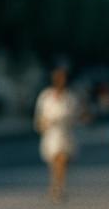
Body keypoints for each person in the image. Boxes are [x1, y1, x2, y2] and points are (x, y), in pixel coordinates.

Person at [33, 65, 82, 202]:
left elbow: (77, 115)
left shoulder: (70, 97)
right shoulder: (45, 96)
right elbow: (39, 115)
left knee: (62, 159)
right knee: (54, 161)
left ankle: (58, 186)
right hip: (51, 134)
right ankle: (55, 185)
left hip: (65, 133)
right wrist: (42, 124)